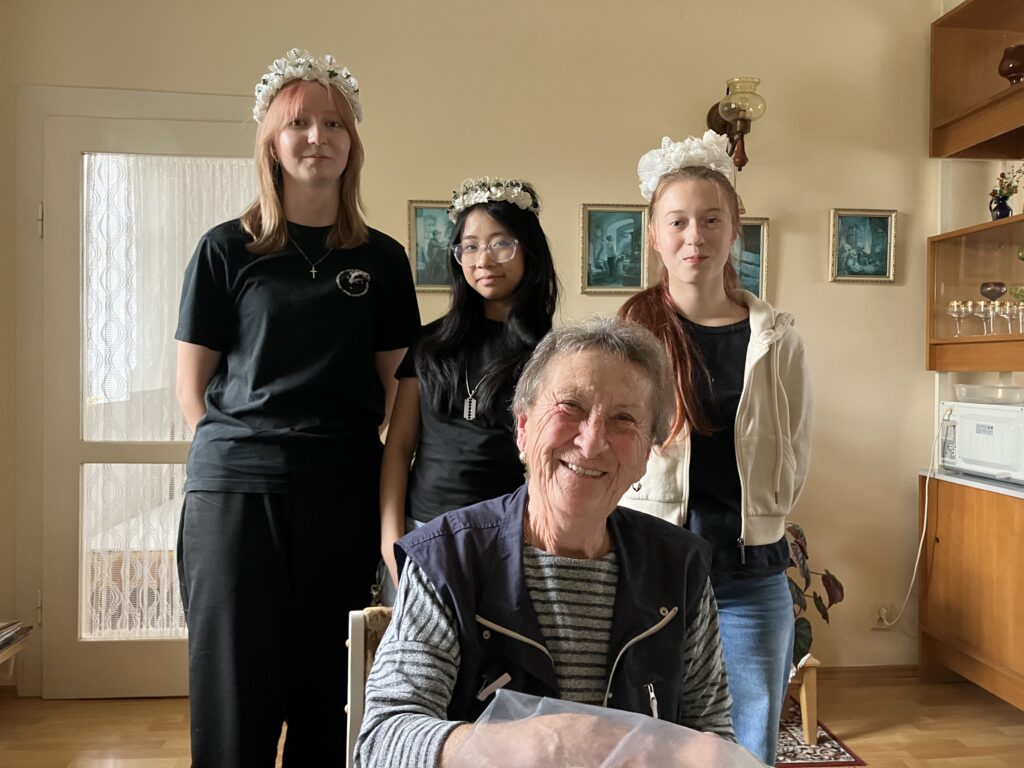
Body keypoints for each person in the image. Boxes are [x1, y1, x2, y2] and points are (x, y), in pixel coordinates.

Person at [174, 48, 420, 767]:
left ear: (353, 143)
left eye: (334, 124)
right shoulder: (226, 250)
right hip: (235, 499)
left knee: (327, 697)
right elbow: (192, 390)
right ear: (272, 144)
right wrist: (254, 457)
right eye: (299, 124)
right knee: (235, 697)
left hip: (342, 495)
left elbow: (400, 388)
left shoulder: (383, 261)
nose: (318, 137)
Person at [357, 317, 734, 768]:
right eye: (570, 406)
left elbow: (711, 733)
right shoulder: (447, 559)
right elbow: (383, 742)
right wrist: (530, 743)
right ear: (522, 427)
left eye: (624, 419)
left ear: (645, 457)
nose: (592, 443)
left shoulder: (680, 568)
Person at [620, 132, 812, 765]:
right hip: (652, 566)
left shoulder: (776, 338)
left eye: (711, 220)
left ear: (735, 232)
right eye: (677, 222)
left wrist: (767, 512)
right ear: (654, 234)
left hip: (749, 574)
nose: (693, 237)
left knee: (749, 741)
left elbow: (795, 448)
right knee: (649, 735)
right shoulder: (632, 332)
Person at [379, 177, 558, 595]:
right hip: (421, 532)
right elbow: (399, 447)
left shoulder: (552, 353)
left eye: (501, 244)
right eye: (470, 246)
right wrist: (390, 540)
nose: (484, 259)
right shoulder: (429, 343)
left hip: (508, 536)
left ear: (529, 251)